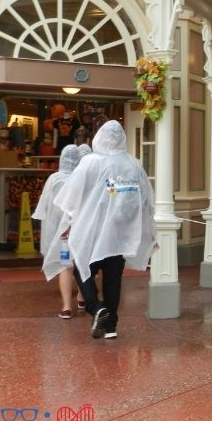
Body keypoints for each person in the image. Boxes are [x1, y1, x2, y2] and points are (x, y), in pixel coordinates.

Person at [54, 120, 157, 340]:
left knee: (83, 268)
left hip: (90, 230)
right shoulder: (133, 164)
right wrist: (149, 231)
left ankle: (96, 307)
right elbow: (146, 199)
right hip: (119, 232)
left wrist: (68, 224)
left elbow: (72, 196)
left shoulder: (90, 162)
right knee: (113, 278)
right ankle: (110, 326)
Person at [32, 144, 85, 318]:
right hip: (80, 230)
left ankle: (66, 307)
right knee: (83, 264)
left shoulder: (54, 179)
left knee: (65, 266)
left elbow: (45, 206)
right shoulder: (82, 178)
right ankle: (82, 297)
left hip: (61, 234)